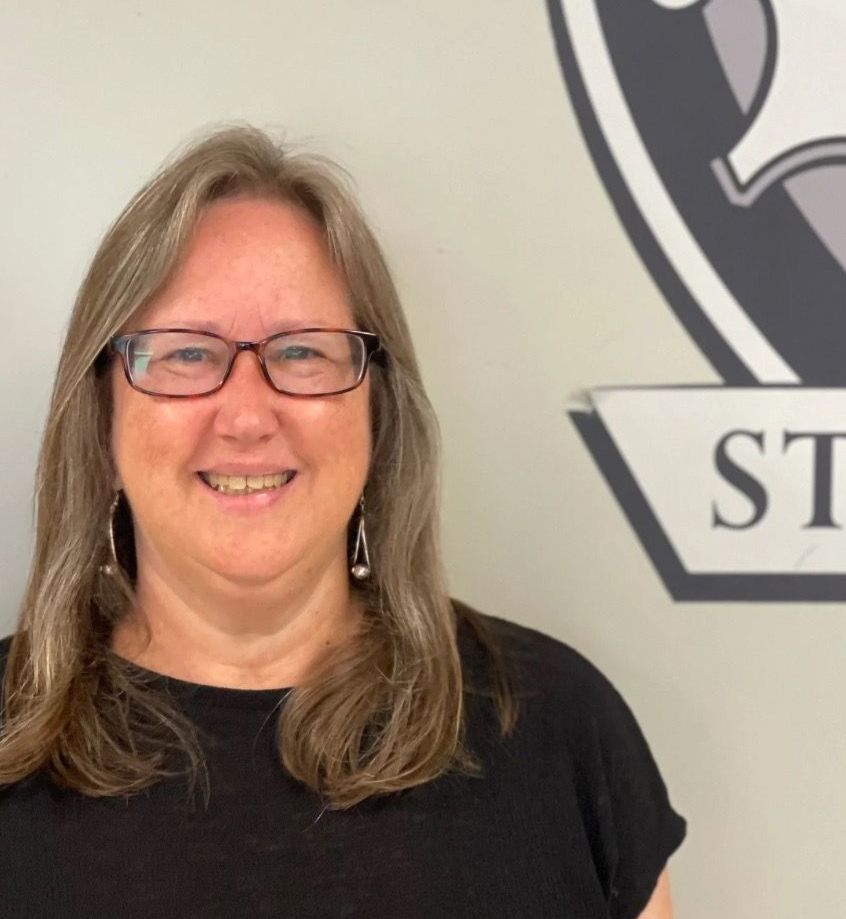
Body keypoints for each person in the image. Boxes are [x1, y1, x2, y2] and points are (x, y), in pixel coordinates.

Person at [0, 125, 685, 918]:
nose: (248, 415)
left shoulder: (557, 732)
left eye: (303, 353)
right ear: (101, 412)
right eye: (186, 353)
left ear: (377, 411)